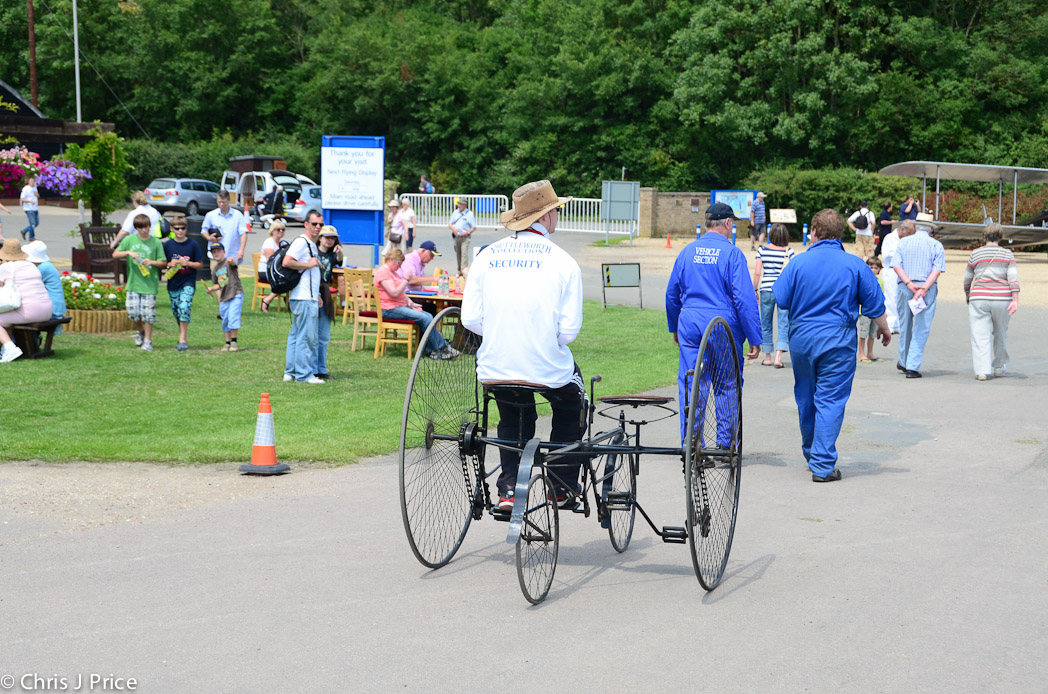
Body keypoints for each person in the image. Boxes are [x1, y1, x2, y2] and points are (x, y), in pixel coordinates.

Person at [462, 179, 583, 511]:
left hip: (496, 364)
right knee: (572, 403)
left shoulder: (486, 256)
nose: (558, 216)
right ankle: (560, 486)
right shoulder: (563, 261)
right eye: (556, 210)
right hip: (545, 365)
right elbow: (569, 332)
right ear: (545, 216)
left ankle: (509, 490)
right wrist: (540, 338)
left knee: (513, 409)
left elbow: (469, 319)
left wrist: (501, 332)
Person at [772, 209, 890, 482]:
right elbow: (875, 304)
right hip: (837, 339)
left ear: (813, 232)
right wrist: (884, 328)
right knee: (831, 399)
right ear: (840, 233)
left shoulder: (798, 263)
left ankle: (811, 453)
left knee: (806, 397)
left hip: (802, 338)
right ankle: (822, 464)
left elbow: (781, 298)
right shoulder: (855, 265)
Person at [667, 202, 761, 447]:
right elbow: (744, 300)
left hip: (691, 324)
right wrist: (754, 337)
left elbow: (672, 294)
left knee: (692, 382)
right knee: (727, 384)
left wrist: (674, 327)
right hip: (722, 326)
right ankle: (725, 444)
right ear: (727, 223)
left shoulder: (687, 252)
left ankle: (691, 442)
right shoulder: (732, 254)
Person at [375, 248, 456, 359]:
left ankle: (429, 349)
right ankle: (441, 347)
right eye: (399, 264)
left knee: (428, 315)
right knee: (424, 317)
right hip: (389, 309)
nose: (400, 267)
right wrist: (406, 280)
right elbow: (394, 292)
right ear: (391, 260)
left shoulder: (393, 273)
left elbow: (401, 293)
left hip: (398, 306)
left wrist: (411, 304)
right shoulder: (383, 272)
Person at [890, 215, 945, 378]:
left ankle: (904, 360)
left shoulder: (904, 242)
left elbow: (896, 265)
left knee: (905, 325)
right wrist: (924, 288)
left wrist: (908, 283)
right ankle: (912, 366)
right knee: (921, 327)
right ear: (931, 228)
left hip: (905, 286)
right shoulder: (936, 245)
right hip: (926, 288)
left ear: (915, 226)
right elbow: (937, 270)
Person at [963, 223, 1020, 381]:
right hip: (1002, 298)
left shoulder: (975, 254)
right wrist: (1015, 299)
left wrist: (968, 294)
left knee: (979, 334)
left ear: (984, 236)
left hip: (979, 297)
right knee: (1001, 333)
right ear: (1000, 237)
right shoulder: (1007, 254)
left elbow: (968, 279)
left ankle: (982, 370)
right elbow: (1013, 278)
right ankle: (999, 366)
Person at [113, 214, 166, 351]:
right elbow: (115, 254)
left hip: (149, 284)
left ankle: (148, 341)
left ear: (149, 226)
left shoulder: (155, 242)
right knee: (133, 313)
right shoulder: (129, 240)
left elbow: (163, 263)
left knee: (148, 315)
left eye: (146, 227)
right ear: (136, 228)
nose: (144, 230)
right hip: (133, 283)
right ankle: (140, 331)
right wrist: (128, 253)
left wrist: (152, 262)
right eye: (141, 228)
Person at [281, 211, 324, 384]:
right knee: (306, 337)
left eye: (320, 224)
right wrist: (308, 264)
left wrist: (317, 294)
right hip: (304, 297)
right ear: (306, 224)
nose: (318, 227)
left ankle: (290, 372)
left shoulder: (311, 244)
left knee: (296, 335)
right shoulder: (302, 242)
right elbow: (287, 261)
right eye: (314, 224)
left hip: (305, 296)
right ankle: (304, 374)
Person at [0, 238, 53, 362]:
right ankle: (6, 348)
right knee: (6, 318)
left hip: (29, 311)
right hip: (47, 310)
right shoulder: (31, 266)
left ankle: (10, 348)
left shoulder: (7, 267)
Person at [753, 222, 793, 368]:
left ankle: (767, 357)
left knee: (766, 323)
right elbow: (793, 273)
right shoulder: (789, 252)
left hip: (766, 289)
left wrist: (755, 289)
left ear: (771, 235)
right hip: (783, 290)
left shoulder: (762, 250)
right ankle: (778, 357)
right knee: (783, 323)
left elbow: (758, 272)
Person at [162, 215, 204, 351]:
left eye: (183, 228)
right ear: (171, 229)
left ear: (186, 229)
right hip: (173, 283)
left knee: (184, 307)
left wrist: (189, 263)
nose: (180, 231)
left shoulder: (192, 244)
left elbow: (200, 264)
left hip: (188, 281)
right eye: (177, 228)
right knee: (177, 311)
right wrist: (169, 264)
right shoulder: (167, 245)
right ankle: (183, 337)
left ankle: (182, 340)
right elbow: (162, 263)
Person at [314, 226, 342, 380]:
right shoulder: (313, 252)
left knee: (323, 336)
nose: (329, 240)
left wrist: (340, 251)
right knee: (312, 335)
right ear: (320, 238)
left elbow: (339, 260)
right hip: (313, 293)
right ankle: (312, 368)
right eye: (327, 237)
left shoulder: (332, 255)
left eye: (332, 238)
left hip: (325, 294)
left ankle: (321, 369)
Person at [204, 242, 244, 352]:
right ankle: (227, 342)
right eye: (214, 252)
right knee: (225, 320)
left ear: (224, 252)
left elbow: (234, 264)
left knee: (233, 317)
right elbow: (219, 284)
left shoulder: (228, 262)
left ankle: (234, 342)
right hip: (224, 297)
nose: (216, 254)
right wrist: (211, 289)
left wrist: (232, 261)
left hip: (235, 294)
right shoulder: (216, 269)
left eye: (218, 251)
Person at [23, 241, 66, 333]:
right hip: (53, 308)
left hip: (52, 310)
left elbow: (25, 282)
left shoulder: (42, 268)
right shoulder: (46, 266)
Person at [201, 190, 249, 267]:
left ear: (229, 201)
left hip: (232, 254)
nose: (221, 204)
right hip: (216, 255)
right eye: (219, 202)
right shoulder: (211, 215)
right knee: (216, 274)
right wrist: (209, 238)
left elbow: (243, 234)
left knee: (232, 274)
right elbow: (204, 230)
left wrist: (241, 250)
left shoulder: (237, 215)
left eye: (224, 202)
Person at [879, 222, 908, 333]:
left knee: (900, 297)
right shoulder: (889, 238)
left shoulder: (904, 239)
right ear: (902, 229)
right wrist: (900, 252)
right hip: (890, 270)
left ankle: (898, 324)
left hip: (901, 270)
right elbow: (886, 255)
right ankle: (890, 324)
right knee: (890, 297)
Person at [857, 257, 885, 363]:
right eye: (871, 267)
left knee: (873, 333)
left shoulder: (880, 282)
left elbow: (881, 297)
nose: (873, 270)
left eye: (876, 268)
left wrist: (883, 311)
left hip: (876, 311)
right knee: (863, 333)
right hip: (865, 311)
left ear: (879, 269)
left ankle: (870, 353)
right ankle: (861, 354)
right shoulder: (863, 280)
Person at [448, 197, 476, 273]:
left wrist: (466, 232)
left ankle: (464, 271)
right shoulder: (455, 212)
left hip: (465, 237)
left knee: (464, 254)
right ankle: (460, 270)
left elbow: (473, 227)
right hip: (456, 237)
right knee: (458, 253)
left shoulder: (469, 214)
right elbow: (450, 224)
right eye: (458, 204)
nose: (459, 205)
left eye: (461, 204)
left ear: (465, 205)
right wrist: (454, 229)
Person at [19, 175, 39, 241]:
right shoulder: (26, 188)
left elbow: (37, 196)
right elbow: (22, 199)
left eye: (33, 181)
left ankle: (24, 231)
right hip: (29, 209)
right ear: (28, 182)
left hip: (35, 208)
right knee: (32, 224)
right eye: (31, 181)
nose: (32, 182)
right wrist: (30, 201)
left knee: (36, 223)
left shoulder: (34, 188)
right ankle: (31, 237)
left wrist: (37, 194)